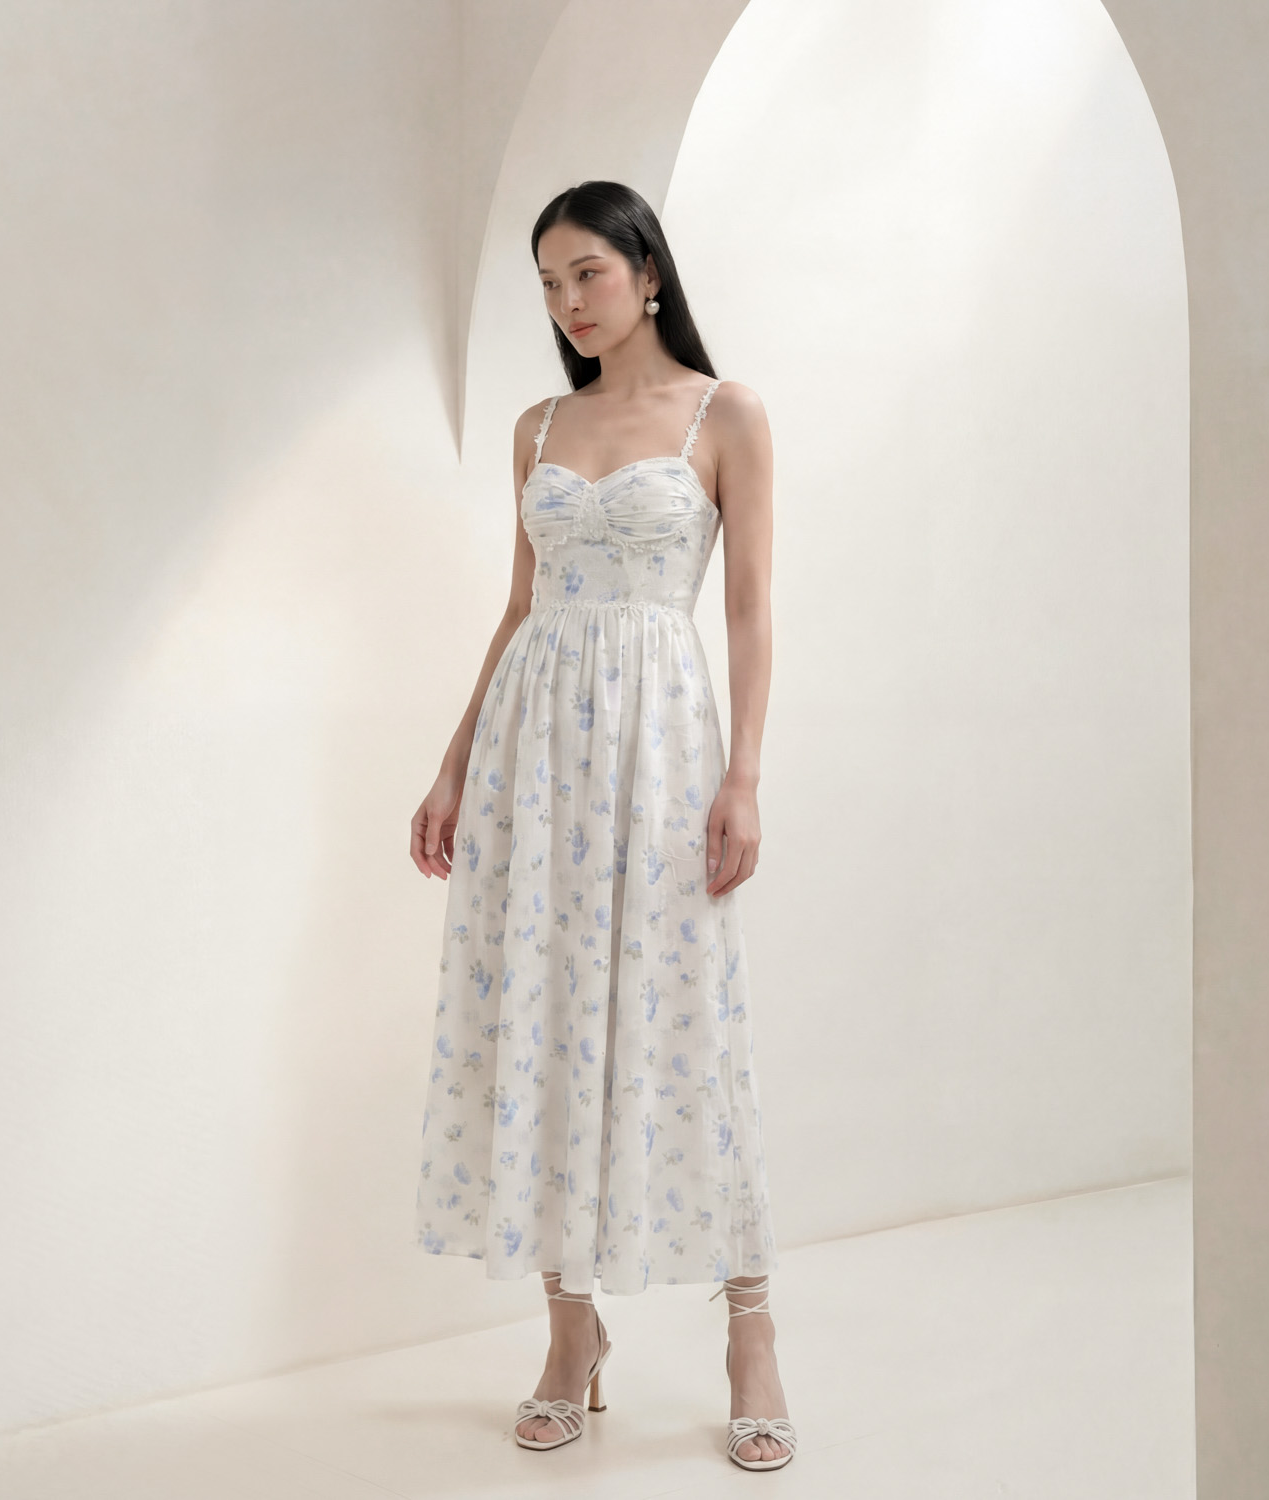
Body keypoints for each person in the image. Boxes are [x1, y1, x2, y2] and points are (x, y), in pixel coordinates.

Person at [409, 180, 796, 1472]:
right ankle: (570, 1331)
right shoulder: (537, 427)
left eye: (585, 274)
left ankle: (751, 1331)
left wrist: (744, 777)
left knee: (690, 1014)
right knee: (544, 1013)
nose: (567, 303)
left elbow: (749, 607)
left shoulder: (725, 413)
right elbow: (521, 607)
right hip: (534, 753)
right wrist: (455, 764)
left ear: (646, 271)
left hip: (660, 746)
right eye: (547, 284)